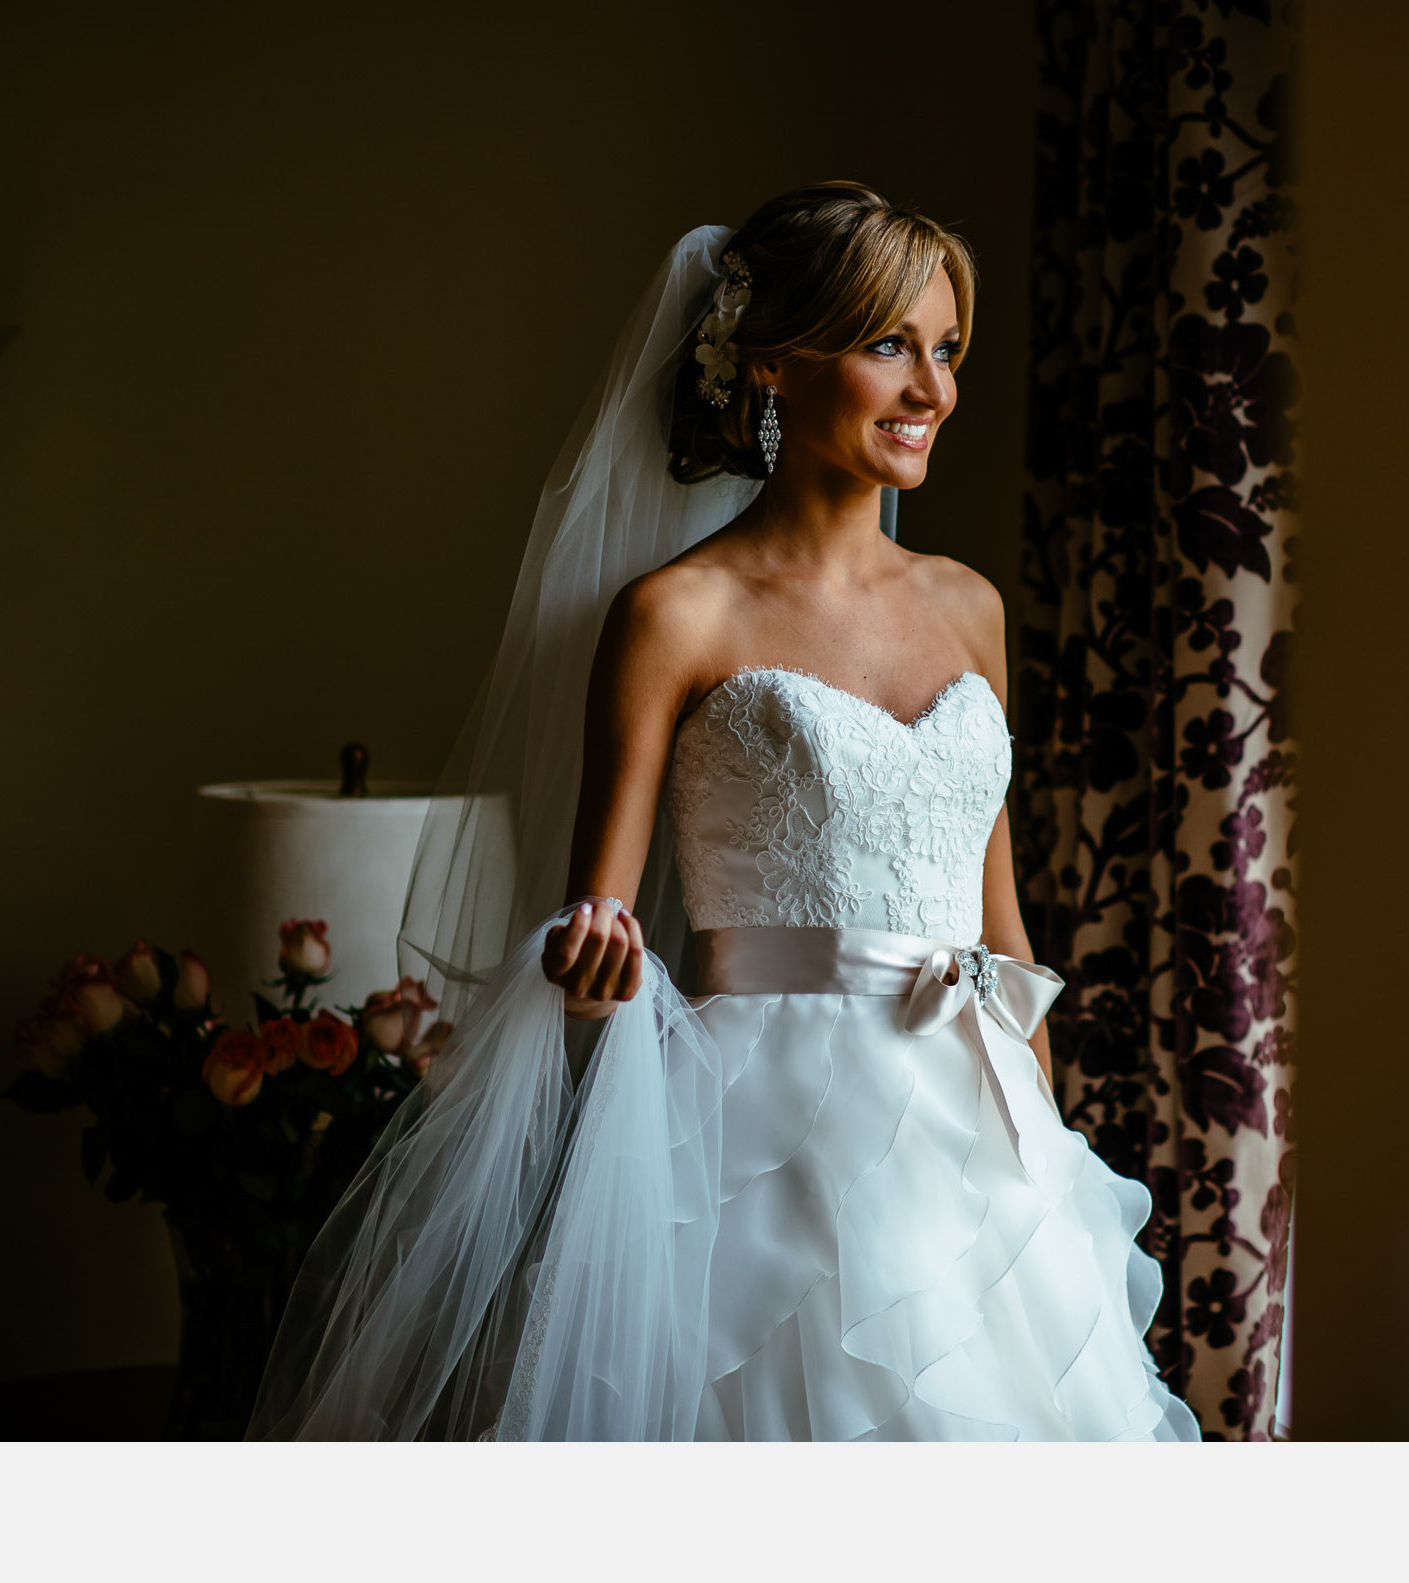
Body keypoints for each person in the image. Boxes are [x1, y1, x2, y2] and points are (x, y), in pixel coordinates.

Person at [249, 183, 1198, 1441]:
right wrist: (596, 975)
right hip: (760, 1150)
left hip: (978, 1150)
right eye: (888, 347)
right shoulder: (675, 616)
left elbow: (1001, 930)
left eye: (948, 351)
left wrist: (1050, 1173)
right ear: (770, 364)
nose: (933, 392)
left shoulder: (971, 608)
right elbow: (599, 931)